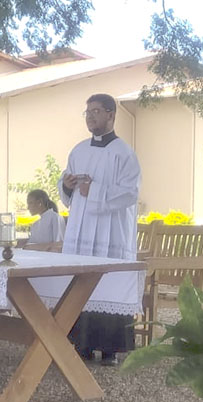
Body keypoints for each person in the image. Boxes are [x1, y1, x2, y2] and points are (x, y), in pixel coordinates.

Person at [58, 93, 141, 366]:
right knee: (80, 279)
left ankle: (108, 348)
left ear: (110, 115)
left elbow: (129, 193)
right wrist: (68, 186)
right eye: (87, 112)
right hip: (81, 230)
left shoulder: (124, 153)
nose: (91, 116)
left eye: (96, 111)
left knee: (107, 283)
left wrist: (94, 191)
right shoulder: (78, 150)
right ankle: (80, 344)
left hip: (110, 232)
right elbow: (66, 190)